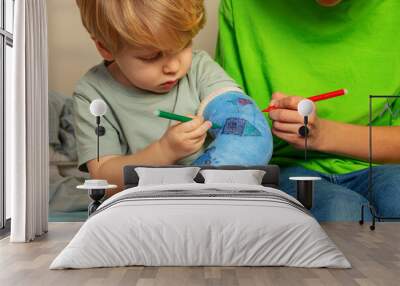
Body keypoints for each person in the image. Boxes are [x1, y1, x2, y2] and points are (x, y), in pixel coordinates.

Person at [216, 0, 400, 221]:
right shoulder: (240, 7)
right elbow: (229, 129)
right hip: (286, 169)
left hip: (384, 168)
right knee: (341, 213)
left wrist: (322, 134)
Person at [73, 0, 272, 195]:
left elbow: (247, 126)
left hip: (210, 200)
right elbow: (103, 180)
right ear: (105, 47)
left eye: (183, 46)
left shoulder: (199, 67)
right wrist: (164, 151)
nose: (174, 67)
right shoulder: (93, 94)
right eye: (151, 57)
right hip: (140, 206)